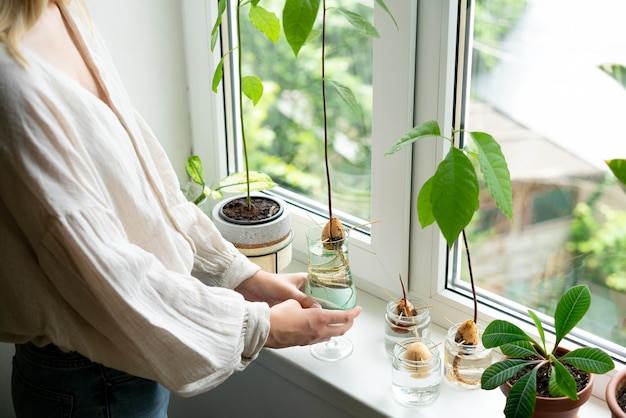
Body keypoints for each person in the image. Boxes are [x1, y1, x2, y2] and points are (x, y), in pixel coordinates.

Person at [0, 0, 362, 416]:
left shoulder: (63, 12)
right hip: (90, 384)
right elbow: (105, 272)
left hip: (124, 363)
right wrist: (261, 326)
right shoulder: (11, 83)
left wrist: (242, 275)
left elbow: (140, 185)